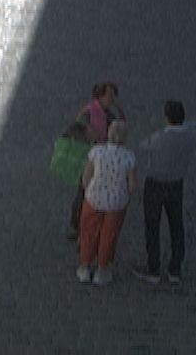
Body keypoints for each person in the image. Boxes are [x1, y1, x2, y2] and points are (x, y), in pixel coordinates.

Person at [136, 101, 196, 287]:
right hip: (176, 183)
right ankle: (175, 269)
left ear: (167, 117)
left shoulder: (161, 137)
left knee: (153, 225)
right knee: (176, 224)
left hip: (156, 183)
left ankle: (153, 268)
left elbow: (143, 145)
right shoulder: (189, 137)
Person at [75, 120, 138, 287]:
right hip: (116, 202)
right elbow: (132, 184)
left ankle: (85, 267)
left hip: (94, 198)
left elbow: (86, 176)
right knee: (108, 236)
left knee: (88, 232)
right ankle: (102, 270)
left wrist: (88, 189)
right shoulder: (129, 157)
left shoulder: (96, 152)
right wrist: (127, 194)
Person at [67, 81, 121, 237]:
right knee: (84, 191)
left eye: (113, 96)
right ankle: (78, 226)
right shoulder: (90, 112)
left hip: (102, 159)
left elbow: (119, 130)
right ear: (100, 95)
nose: (112, 99)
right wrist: (91, 133)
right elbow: (79, 126)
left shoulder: (109, 115)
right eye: (109, 95)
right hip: (88, 159)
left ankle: (88, 225)